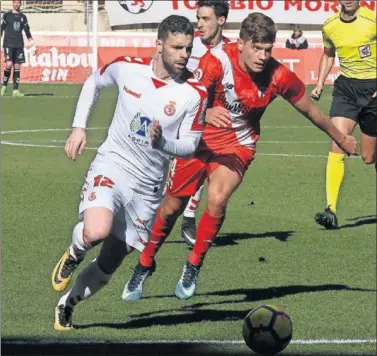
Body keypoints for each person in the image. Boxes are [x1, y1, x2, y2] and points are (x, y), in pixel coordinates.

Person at [122, 12, 358, 302]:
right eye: (256, 48)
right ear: (242, 43)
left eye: (267, 50)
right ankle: (145, 263)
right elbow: (187, 97)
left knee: (218, 198)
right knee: (171, 207)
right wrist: (207, 112)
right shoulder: (218, 61)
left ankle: (194, 262)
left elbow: (311, 111)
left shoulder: (278, 75)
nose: (262, 56)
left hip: (238, 145)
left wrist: (340, 136)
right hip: (198, 139)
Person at [51, 15, 208, 330]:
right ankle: (74, 251)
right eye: (177, 47)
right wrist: (78, 128)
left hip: (149, 186)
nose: (184, 55)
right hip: (113, 164)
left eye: (188, 49)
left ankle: (67, 304)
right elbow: (93, 81)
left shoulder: (195, 92)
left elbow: (191, 145)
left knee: (111, 259)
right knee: (96, 230)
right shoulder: (127, 68)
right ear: (159, 44)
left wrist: (164, 142)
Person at [311, 0, 376, 229]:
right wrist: (319, 83)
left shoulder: (372, 20)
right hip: (346, 89)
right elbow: (328, 54)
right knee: (337, 141)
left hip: (373, 89)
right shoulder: (330, 25)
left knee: (369, 157)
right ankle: (330, 210)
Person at [180, 0, 230, 246]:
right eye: (197, 19)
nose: (199, 24)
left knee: (205, 166)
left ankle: (189, 217)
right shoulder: (188, 47)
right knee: (165, 176)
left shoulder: (231, 50)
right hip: (180, 115)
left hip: (210, 126)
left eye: (205, 19)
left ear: (221, 20)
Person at [1, 0, 36, 97]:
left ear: (20, 4)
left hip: (19, 44)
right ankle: (4, 86)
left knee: (17, 66)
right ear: (13, 3)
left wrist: (32, 42)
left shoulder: (23, 17)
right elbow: (1, 28)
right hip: (8, 44)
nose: (16, 4)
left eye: (18, 2)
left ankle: (15, 90)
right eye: (15, 2)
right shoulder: (6, 16)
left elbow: (27, 31)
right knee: (9, 64)